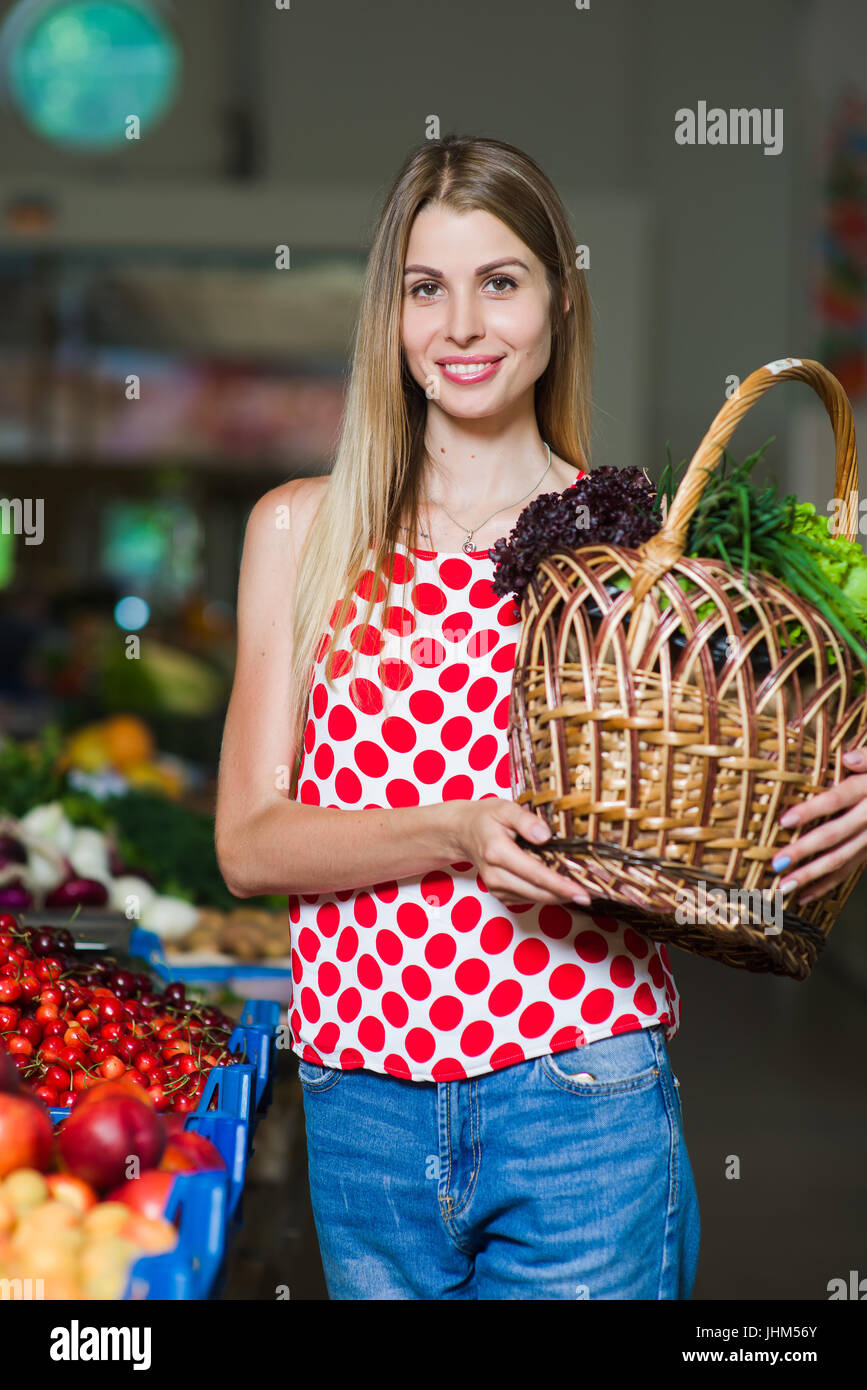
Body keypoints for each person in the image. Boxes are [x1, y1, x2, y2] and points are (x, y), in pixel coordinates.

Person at [215, 134, 700, 1300]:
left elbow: (714, 813)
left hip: (579, 1087)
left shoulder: (635, 555)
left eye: (502, 282)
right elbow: (248, 841)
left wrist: (842, 793)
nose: (464, 328)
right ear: (391, 312)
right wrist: (462, 828)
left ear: (557, 299)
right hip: (361, 1104)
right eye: (428, 289)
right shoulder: (304, 532)